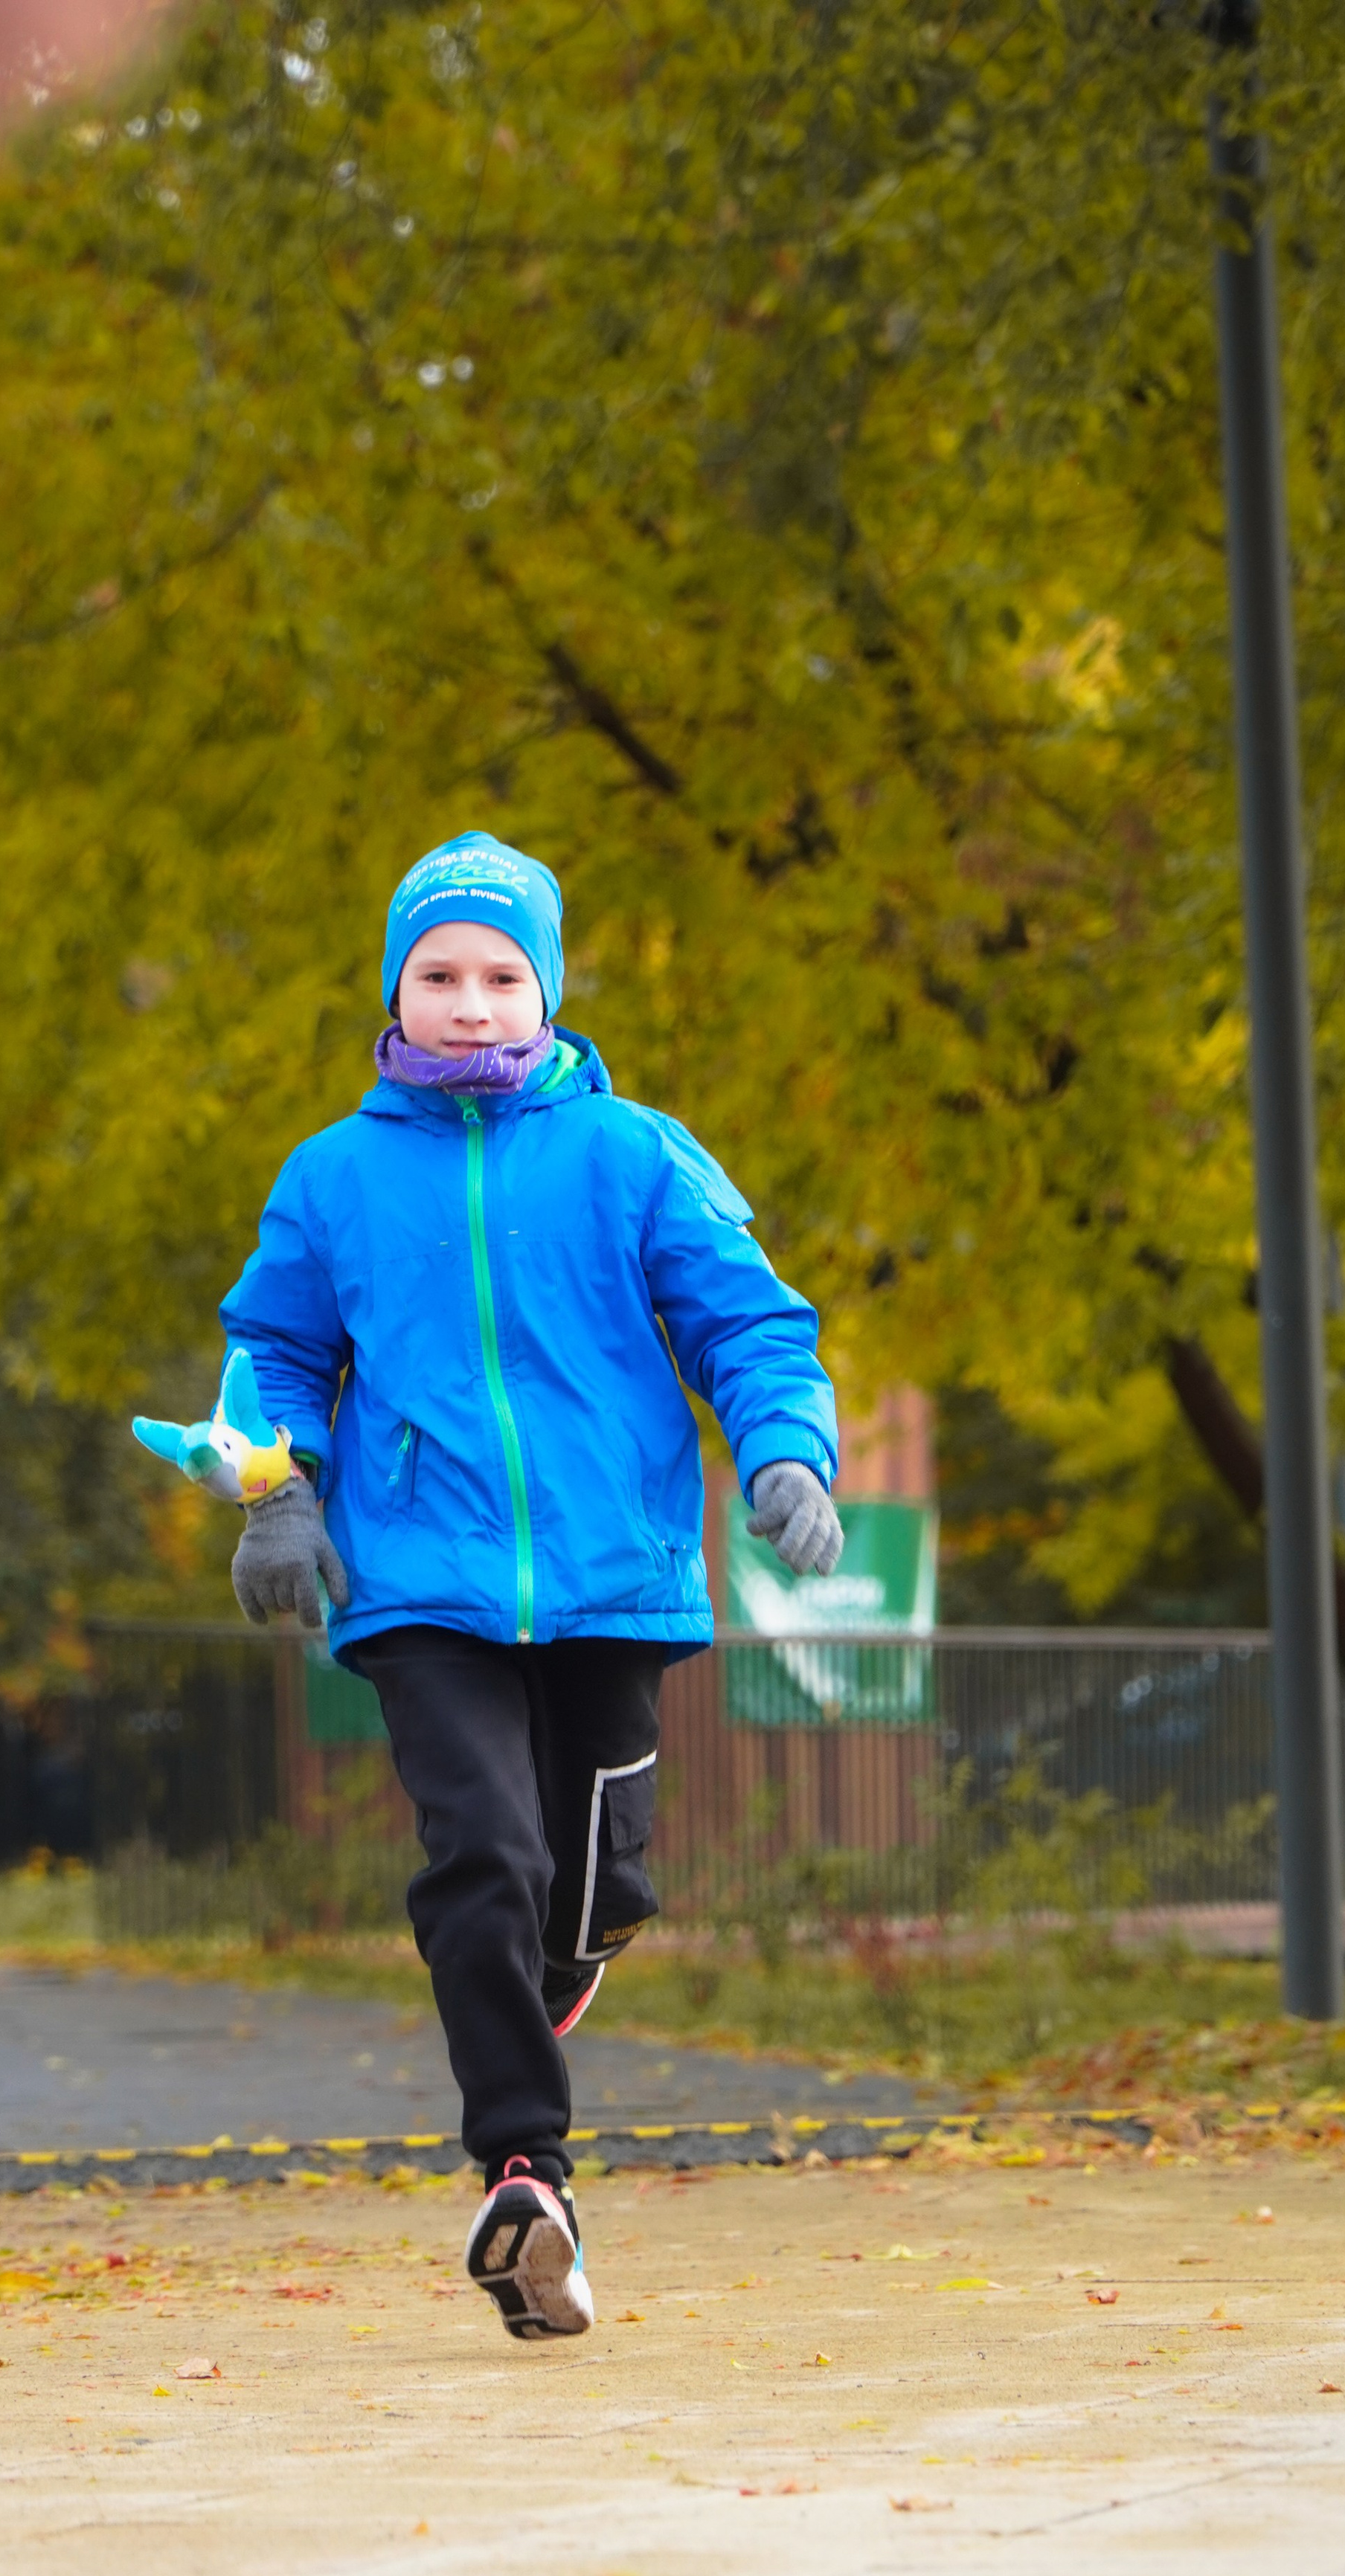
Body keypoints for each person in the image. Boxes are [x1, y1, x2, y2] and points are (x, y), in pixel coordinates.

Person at [219, 830, 843, 2342]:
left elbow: (746, 1324)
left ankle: (563, 1961)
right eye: (437, 975)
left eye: (502, 975)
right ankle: (526, 2173)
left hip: (610, 1574)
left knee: (600, 1883)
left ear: (548, 992)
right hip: (421, 1581)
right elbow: (274, 1356)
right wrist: (277, 1493)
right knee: (477, 1855)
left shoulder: (634, 1155)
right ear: (393, 991)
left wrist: (783, 1452)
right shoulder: (335, 1176)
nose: (471, 1003)